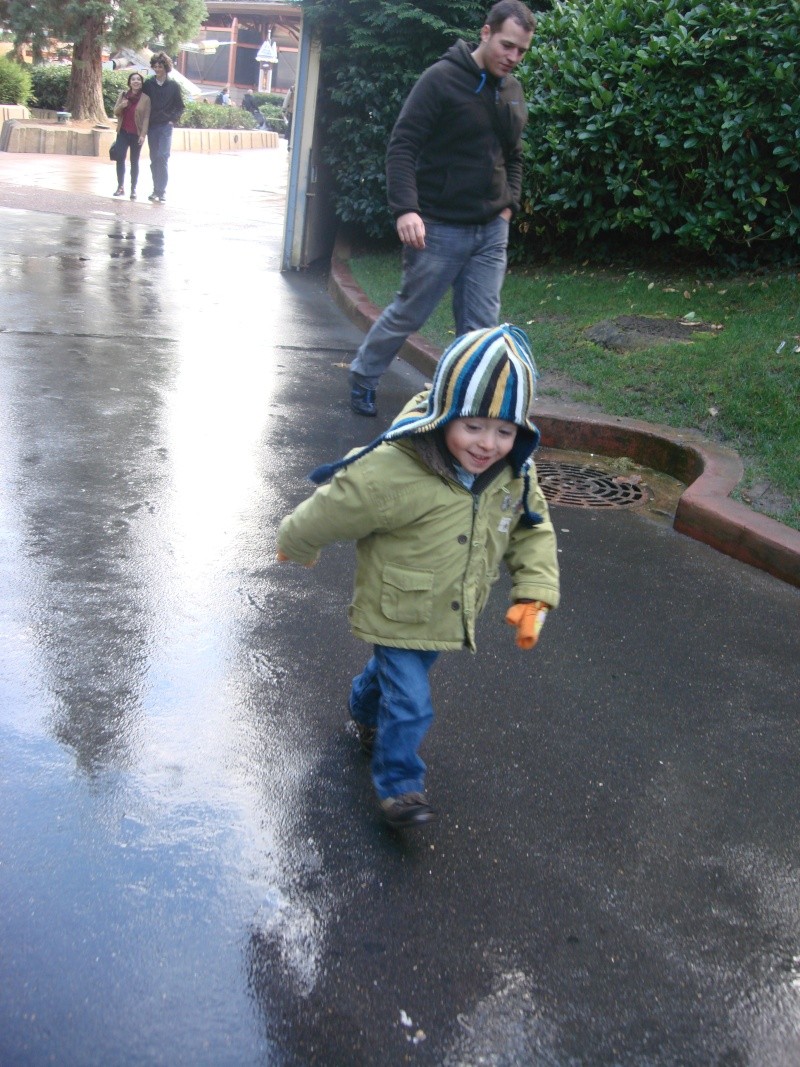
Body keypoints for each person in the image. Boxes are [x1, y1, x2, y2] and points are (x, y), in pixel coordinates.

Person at [277, 324, 560, 828]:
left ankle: (362, 710)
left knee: (392, 679)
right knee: (410, 700)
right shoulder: (397, 467)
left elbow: (532, 529)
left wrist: (534, 591)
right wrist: (297, 540)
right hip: (398, 603)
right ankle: (400, 786)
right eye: (473, 426)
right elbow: (337, 504)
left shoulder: (517, 472)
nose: (488, 444)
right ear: (446, 413)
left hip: (451, 607)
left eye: (504, 430)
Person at [348, 0, 536, 418]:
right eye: (507, 45)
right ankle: (363, 375)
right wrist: (405, 209)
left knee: (480, 330)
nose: (513, 57)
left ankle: (458, 407)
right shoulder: (440, 80)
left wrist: (510, 206)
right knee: (409, 312)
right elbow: (403, 145)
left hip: (490, 228)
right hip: (438, 227)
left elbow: (515, 154)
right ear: (486, 33)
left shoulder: (511, 90)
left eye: (522, 51)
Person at [142, 52, 184, 204]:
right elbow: (142, 103)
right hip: (152, 126)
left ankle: (162, 190)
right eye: (155, 66)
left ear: (166, 67)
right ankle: (155, 189)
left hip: (166, 126)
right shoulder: (148, 85)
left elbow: (180, 106)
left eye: (161, 66)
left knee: (163, 156)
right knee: (154, 158)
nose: (158, 69)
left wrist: (173, 119)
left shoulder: (173, 86)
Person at [111, 71, 150, 200]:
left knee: (134, 161)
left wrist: (143, 134)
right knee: (120, 158)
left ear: (141, 82)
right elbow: (115, 112)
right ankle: (120, 187)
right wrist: (122, 105)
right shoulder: (123, 95)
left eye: (138, 79)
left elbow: (146, 118)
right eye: (133, 79)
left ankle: (133, 189)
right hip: (123, 132)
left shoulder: (145, 98)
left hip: (136, 135)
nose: (136, 81)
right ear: (129, 82)